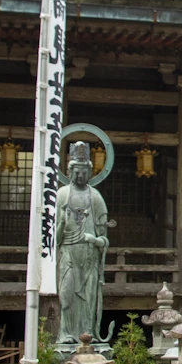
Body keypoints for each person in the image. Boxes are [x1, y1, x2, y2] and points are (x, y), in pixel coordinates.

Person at [56, 141, 110, 344]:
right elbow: (56, 238)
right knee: (67, 294)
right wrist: (62, 220)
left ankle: (89, 332)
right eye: (77, 172)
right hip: (69, 252)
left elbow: (104, 238)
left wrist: (95, 240)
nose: (80, 176)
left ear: (90, 172)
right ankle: (66, 333)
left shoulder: (95, 196)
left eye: (84, 172)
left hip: (89, 256)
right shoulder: (62, 195)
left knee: (89, 297)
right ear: (69, 172)